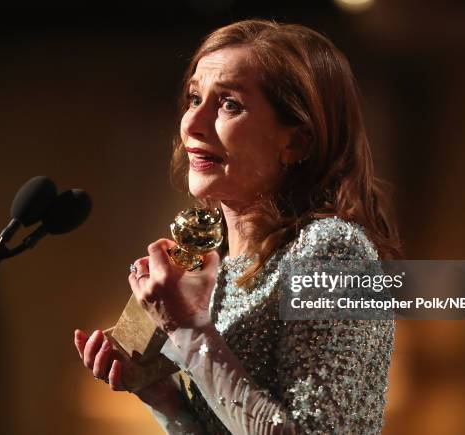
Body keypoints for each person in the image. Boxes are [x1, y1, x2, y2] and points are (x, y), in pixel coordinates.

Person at [74, 19, 402, 434]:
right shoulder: (223, 266)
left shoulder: (333, 251)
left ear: (296, 141)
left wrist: (189, 331)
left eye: (229, 104)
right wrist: (163, 396)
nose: (192, 124)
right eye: (195, 98)